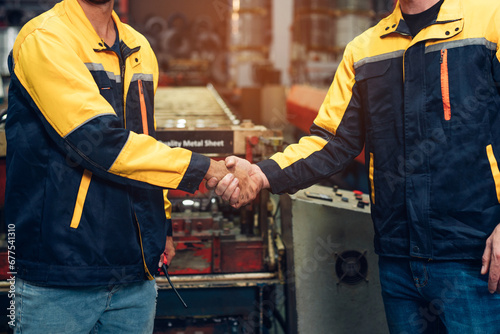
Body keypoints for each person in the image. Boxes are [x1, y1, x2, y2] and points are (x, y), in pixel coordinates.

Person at [212, 0, 500, 332]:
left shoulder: (489, 20)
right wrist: (261, 173)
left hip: (476, 260)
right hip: (399, 264)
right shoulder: (364, 50)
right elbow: (332, 141)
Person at [5, 0, 255, 332]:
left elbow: (145, 141)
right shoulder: (45, 38)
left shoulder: (138, 47)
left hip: (134, 276)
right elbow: (98, 143)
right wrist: (207, 168)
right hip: (62, 271)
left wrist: (161, 223)